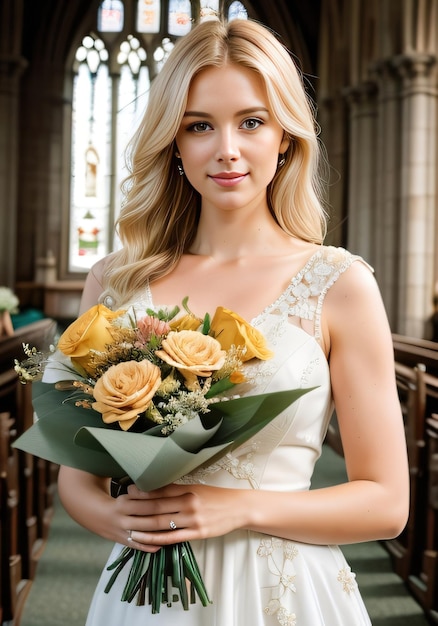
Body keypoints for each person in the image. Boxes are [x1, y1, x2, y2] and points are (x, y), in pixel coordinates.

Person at [57, 18, 409, 626]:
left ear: (284, 137)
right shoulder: (117, 280)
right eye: (199, 126)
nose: (226, 148)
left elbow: (385, 503)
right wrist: (119, 520)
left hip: (285, 591)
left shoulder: (340, 283)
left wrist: (236, 509)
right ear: (173, 143)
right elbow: (77, 481)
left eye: (251, 121)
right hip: (147, 597)